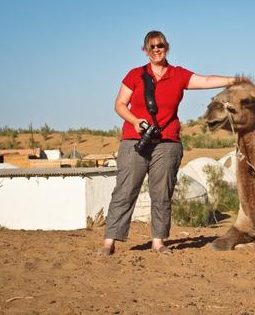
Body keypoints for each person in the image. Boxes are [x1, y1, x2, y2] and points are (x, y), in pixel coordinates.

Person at [99, 30, 242, 255]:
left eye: (161, 45)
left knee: (162, 193)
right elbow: (119, 104)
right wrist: (135, 121)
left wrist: (235, 80)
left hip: (167, 142)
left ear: (167, 47)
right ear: (145, 51)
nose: (157, 49)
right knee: (125, 190)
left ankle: (158, 241)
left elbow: (205, 80)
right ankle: (109, 241)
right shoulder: (135, 75)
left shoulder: (178, 75)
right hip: (135, 140)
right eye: (152, 46)